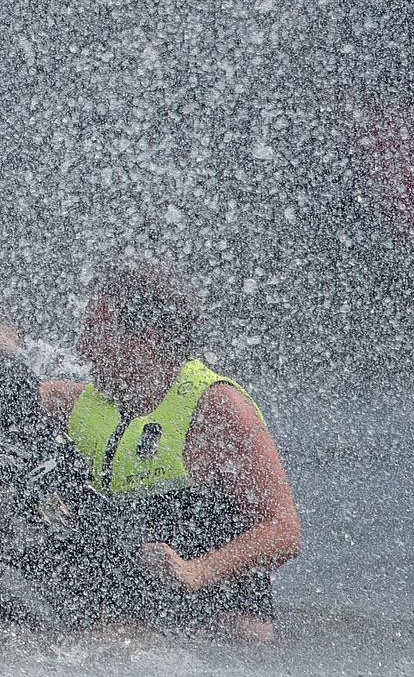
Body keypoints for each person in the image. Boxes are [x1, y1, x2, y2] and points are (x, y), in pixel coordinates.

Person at [33, 261, 301, 641]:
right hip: (136, 630)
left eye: (96, 330)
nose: (82, 347)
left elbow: (285, 530)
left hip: (224, 641)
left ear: (146, 339)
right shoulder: (74, 403)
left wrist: (196, 572)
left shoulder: (217, 408)